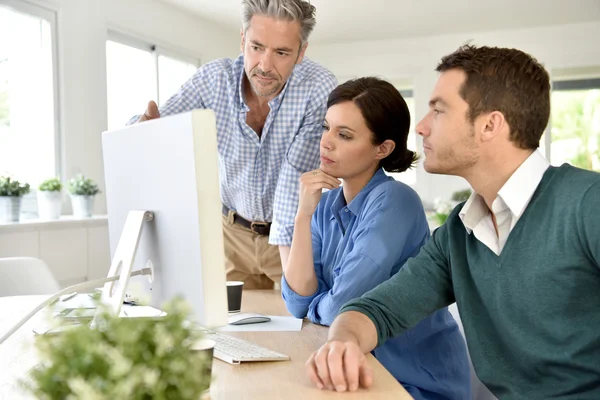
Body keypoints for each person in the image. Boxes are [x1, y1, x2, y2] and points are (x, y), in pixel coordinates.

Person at [305, 44, 600, 399]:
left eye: (438, 111)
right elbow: (378, 309)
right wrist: (343, 341)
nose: (422, 128)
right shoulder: (459, 235)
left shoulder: (587, 204)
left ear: (490, 124)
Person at [282, 77, 471, 399]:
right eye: (326, 128)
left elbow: (341, 306)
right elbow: (297, 302)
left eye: (344, 135)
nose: (326, 143)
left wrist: (317, 305)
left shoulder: (396, 201)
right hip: (359, 372)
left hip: (413, 381)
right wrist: (303, 216)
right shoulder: (325, 202)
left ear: (382, 148)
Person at [130, 0, 337, 289]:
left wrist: (294, 278)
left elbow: (294, 180)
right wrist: (143, 131)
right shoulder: (214, 80)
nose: (265, 66)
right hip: (231, 234)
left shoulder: (318, 87)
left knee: (301, 321)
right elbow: (156, 127)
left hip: (293, 234)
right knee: (231, 328)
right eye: (256, 47)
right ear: (242, 39)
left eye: (281, 52)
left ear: (301, 53)